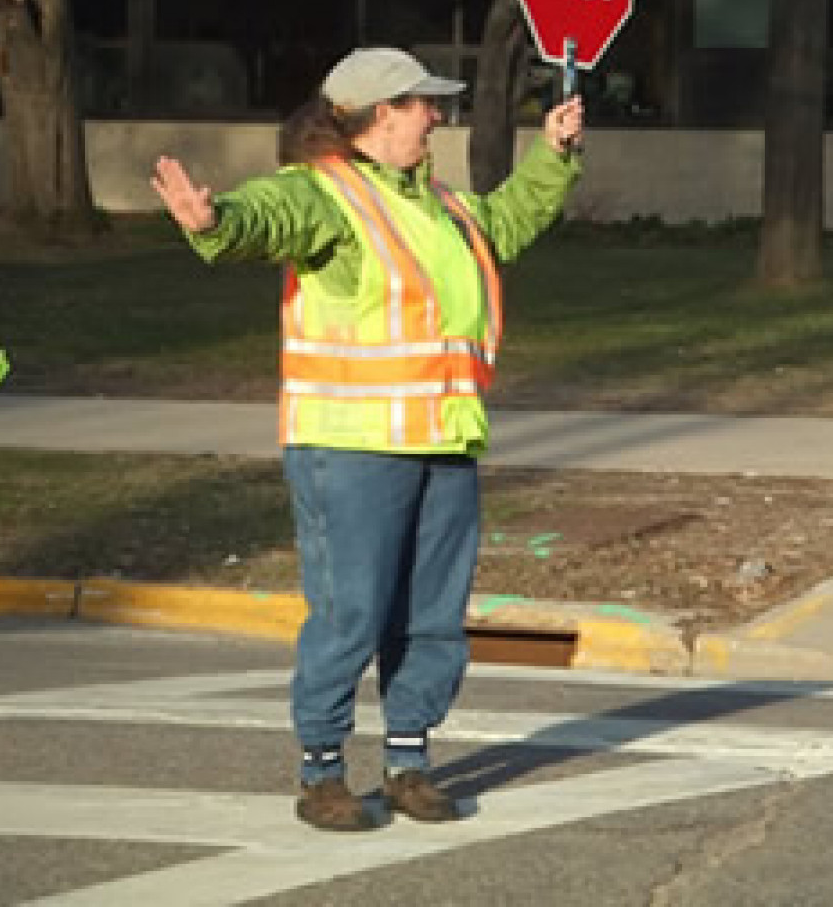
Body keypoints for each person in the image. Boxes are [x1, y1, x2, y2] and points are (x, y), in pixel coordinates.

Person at [151, 47, 583, 830]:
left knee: (431, 618)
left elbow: (509, 222)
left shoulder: (444, 207)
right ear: (382, 113)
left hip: (443, 442)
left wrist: (553, 154)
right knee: (352, 613)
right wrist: (218, 224)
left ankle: (409, 764)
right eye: (425, 104)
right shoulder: (328, 194)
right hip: (350, 449)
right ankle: (322, 772)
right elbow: (270, 215)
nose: (438, 117)